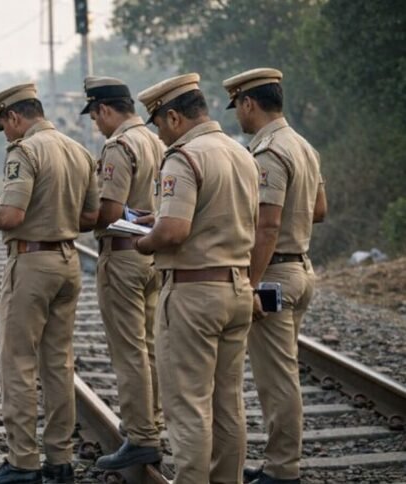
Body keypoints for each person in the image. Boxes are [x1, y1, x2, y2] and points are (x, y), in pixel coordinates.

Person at [0, 83, 99, 484]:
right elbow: (91, 218)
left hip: (31, 264)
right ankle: (60, 460)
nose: (6, 134)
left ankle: (23, 462)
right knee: (59, 363)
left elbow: (10, 217)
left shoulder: (24, 151)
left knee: (19, 363)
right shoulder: (79, 150)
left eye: (4, 125)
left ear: (13, 116)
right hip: (68, 261)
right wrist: (54, 216)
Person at [133, 73, 259, 484]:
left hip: (193, 293)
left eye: (158, 124)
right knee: (228, 403)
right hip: (237, 287)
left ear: (172, 117)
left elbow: (174, 232)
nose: (159, 135)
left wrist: (144, 242)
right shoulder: (240, 152)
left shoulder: (184, 156)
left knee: (187, 405)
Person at [222, 69, 326, 484]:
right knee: (282, 372)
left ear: (249, 103)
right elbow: (319, 210)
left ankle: (283, 471)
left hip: (274, 275)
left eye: (239, 107)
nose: (239, 117)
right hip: (301, 267)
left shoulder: (267, 152)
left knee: (276, 379)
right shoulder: (302, 146)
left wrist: (248, 282)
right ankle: (279, 464)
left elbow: (266, 226)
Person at [79, 76, 165, 470]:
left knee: (128, 350)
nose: (97, 125)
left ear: (105, 110)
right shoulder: (157, 141)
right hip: (154, 256)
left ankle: (141, 435)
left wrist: (67, 213)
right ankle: (154, 423)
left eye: (96, 116)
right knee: (150, 347)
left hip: (124, 256)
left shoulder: (119, 146)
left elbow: (109, 213)